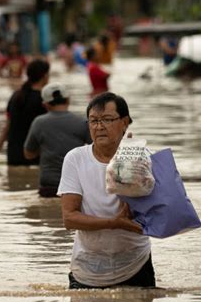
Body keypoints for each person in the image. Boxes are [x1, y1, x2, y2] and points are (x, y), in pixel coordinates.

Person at [57, 92, 155, 289]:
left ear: (125, 122)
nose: (99, 126)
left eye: (107, 120)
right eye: (93, 121)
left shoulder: (141, 155)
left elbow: (158, 210)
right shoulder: (75, 159)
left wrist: (130, 162)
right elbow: (69, 218)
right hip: (87, 270)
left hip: (135, 265)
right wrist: (114, 223)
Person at [23, 82, 91, 197]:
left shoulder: (39, 122)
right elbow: (96, 150)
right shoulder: (82, 122)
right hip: (75, 184)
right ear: (68, 100)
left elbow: (28, 154)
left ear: (45, 105)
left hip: (48, 185)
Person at [0, 59, 50, 166]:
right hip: (34, 156)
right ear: (45, 76)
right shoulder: (45, 100)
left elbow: (7, 128)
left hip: (13, 155)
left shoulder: (16, 96)